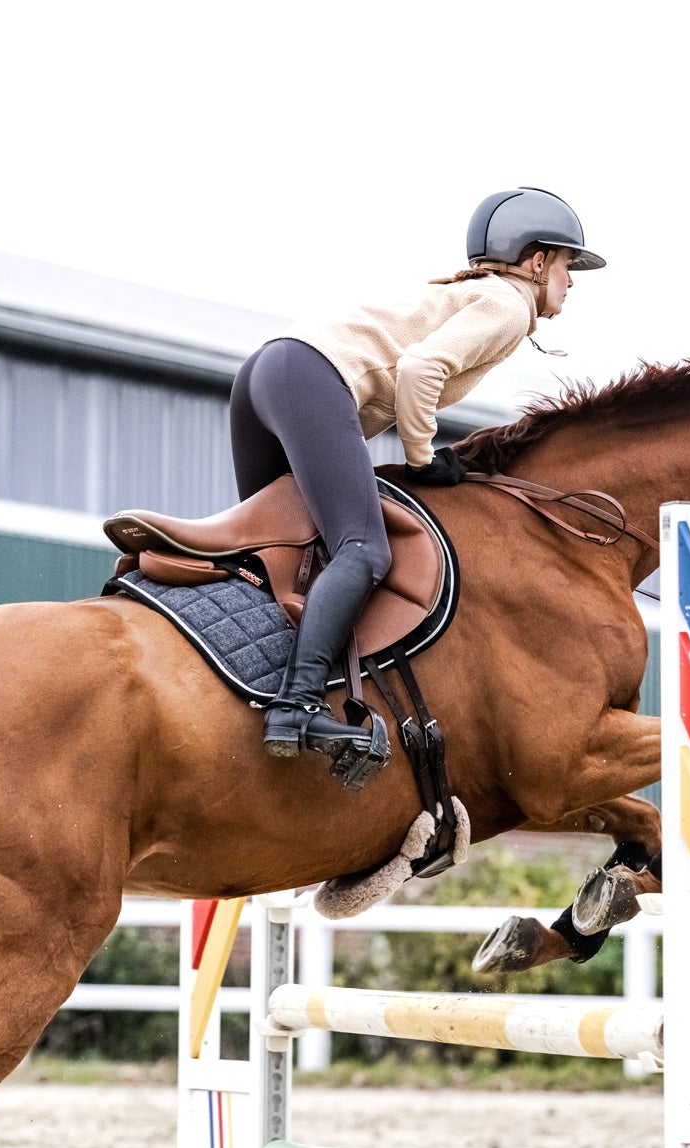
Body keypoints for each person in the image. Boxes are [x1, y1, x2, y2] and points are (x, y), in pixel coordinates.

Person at [229, 187, 605, 784]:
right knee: (365, 549)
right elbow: (420, 369)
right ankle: (296, 702)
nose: (572, 281)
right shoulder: (507, 303)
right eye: (566, 263)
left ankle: (239, 677)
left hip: (268, 372)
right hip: (308, 376)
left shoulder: (468, 291)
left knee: (281, 547)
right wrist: (424, 458)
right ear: (536, 262)